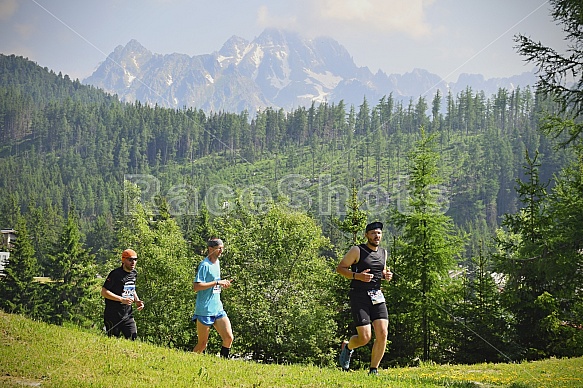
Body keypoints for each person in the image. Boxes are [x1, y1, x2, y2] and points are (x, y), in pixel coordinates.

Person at [336, 221, 393, 375]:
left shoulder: (383, 253)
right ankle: (348, 347)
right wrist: (357, 276)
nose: (376, 236)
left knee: (383, 333)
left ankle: (373, 370)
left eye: (379, 233)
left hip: (377, 296)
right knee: (365, 337)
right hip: (359, 296)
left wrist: (386, 275)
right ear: (366, 235)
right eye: (373, 233)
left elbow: (382, 272)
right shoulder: (357, 250)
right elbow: (340, 268)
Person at [192, 238, 234, 358]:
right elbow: (196, 286)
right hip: (204, 310)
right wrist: (216, 283)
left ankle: (223, 361)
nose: (221, 251)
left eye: (222, 248)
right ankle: (188, 361)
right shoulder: (204, 265)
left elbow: (216, 284)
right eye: (219, 248)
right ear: (211, 249)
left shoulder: (217, 263)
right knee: (202, 345)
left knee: (228, 338)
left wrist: (222, 284)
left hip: (218, 308)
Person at [101, 248, 145, 340]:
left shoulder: (134, 273)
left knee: (133, 338)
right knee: (112, 340)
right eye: (130, 260)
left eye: (135, 260)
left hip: (128, 314)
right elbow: (104, 292)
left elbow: (131, 288)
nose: (133, 262)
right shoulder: (115, 274)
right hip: (113, 314)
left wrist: (137, 300)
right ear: (123, 260)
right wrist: (121, 299)